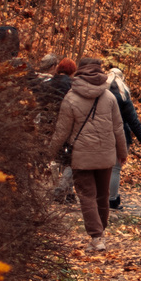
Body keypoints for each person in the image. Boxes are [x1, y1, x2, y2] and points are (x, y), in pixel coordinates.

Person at [50, 56, 129, 252]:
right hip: (106, 154)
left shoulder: (70, 98)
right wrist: (122, 152)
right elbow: (118, 128)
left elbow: (62, 132)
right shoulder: (109, 97)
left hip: (81, 155)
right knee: (102, 195)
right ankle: (100, 233)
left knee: (86, 195)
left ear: (80, 73)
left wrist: (49, 153)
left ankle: (96, 236)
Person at [105, 65, 141, 209]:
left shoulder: (102, 93)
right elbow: (132, 118)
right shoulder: (123, 95)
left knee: (103, 167)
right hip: (120, 134)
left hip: (102, 134)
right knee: (116, 168)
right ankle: (112, 199)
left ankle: (101, 197)